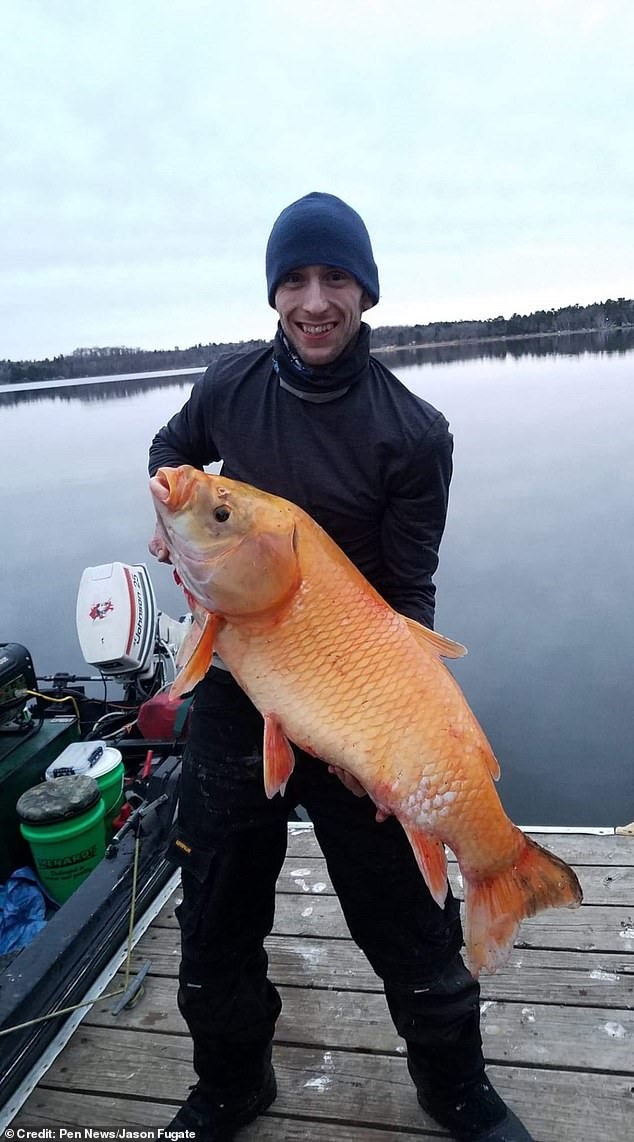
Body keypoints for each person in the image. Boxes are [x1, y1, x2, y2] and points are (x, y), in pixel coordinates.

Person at [148, 192, 533, 1142]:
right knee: (217, 905)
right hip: (244, 696)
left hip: (359, 695)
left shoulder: (414, 429)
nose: (314, 301)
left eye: (336, 280)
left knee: (406, 917)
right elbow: (170, 459)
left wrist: (392, 740)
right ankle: (230, 1085)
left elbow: (411, 593)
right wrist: (170, 533)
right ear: (273, 292)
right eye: (295, 281)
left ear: (366, 291)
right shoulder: (229, 388)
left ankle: (455, 1086)